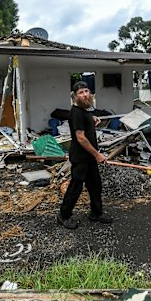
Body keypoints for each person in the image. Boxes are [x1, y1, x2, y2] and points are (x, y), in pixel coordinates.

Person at [57, 81, 112, 229]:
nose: (85, 94)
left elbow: (85, 118)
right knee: (76, 187)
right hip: (81, 158)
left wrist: (92, 118)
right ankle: (64, 215)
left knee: (95, 185)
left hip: (89, 157)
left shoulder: (84, 110)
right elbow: (80, 137)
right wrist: (97, 155)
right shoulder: (76, 113)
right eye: (81, 93)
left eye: (86, 91)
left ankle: (96, 212)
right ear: (74, 96)